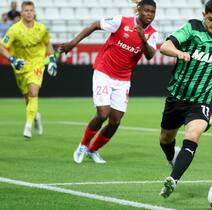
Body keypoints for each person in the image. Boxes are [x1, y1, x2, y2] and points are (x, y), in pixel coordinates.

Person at [158, 0, 212, 198]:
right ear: (203, 15)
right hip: (177, 97)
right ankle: (173, 158)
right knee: (165, 139)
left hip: (201, 101)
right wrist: (179, 52)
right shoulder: (192, 28)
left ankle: (173, 179)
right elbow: (164, 47)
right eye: (211, 19)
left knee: (193, 135)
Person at [59, 0, 158, 164]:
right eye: (146, 10)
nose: (149, 14)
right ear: (139, 10)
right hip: (104, 71)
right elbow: (94, 25)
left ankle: (93, 150)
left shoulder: (152, 33)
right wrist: (73, 43)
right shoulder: (121, 21)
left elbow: (149, 55)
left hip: (123, 78)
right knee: (103, 113)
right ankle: (83, 145)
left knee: (115, 121)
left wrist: (143, 39)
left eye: (152, 12)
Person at [0, 1, 57, 139]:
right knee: (27, 98)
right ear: (21, 13)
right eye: (26, 10)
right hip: (21, 66)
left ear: (34, 12)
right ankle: (35, 115)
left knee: (33, 92)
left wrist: (52, 61)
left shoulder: (42, 29)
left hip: (37, 65)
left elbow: (48, 45)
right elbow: (2, 47)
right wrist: (12, 59)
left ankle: (28, 126)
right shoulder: (14, 30)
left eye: (31, 10)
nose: (29, 13)